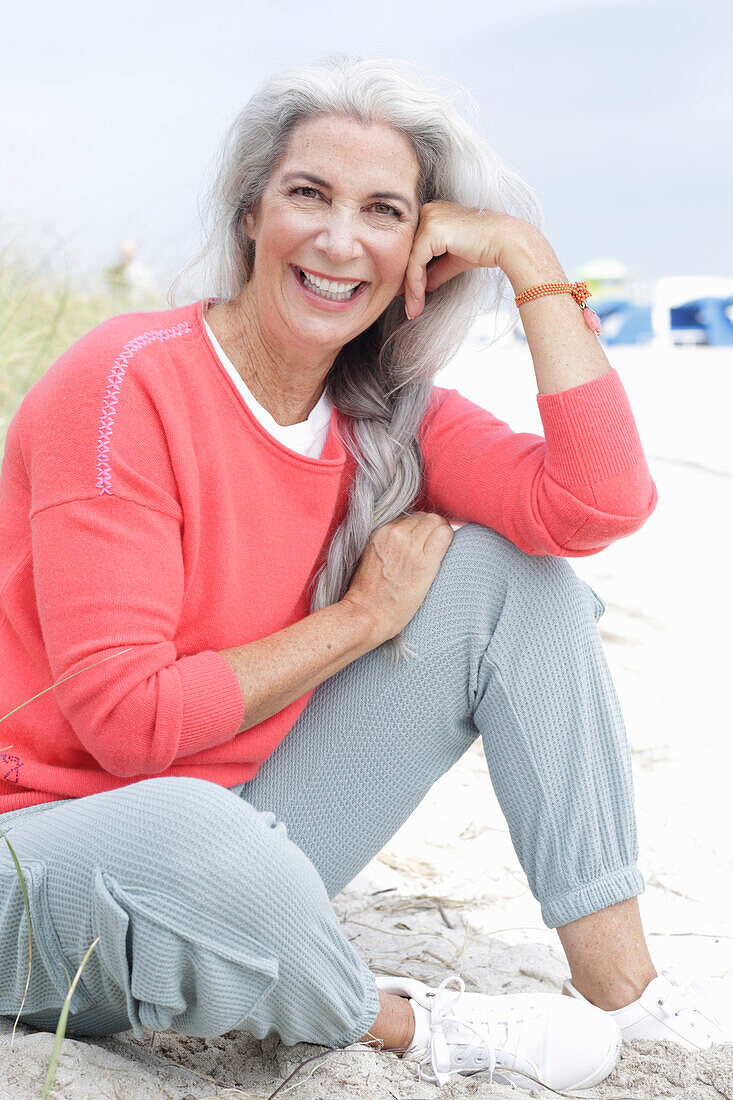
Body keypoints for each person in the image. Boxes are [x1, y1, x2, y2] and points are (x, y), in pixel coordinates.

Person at [0, 53, 725, 1092]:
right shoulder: (123, 386)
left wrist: (526, 257)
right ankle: (396, 1018)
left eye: (383, 210)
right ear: (252, 212)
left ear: (417, 248)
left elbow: (596, 503)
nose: (340, 239)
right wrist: (360, 617)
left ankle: (622, 980)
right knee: (191, 827)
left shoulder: (385, 411)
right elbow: (123, 719)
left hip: (244, 834)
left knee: (513, 580)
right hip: (44, 851)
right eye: (309, 194)